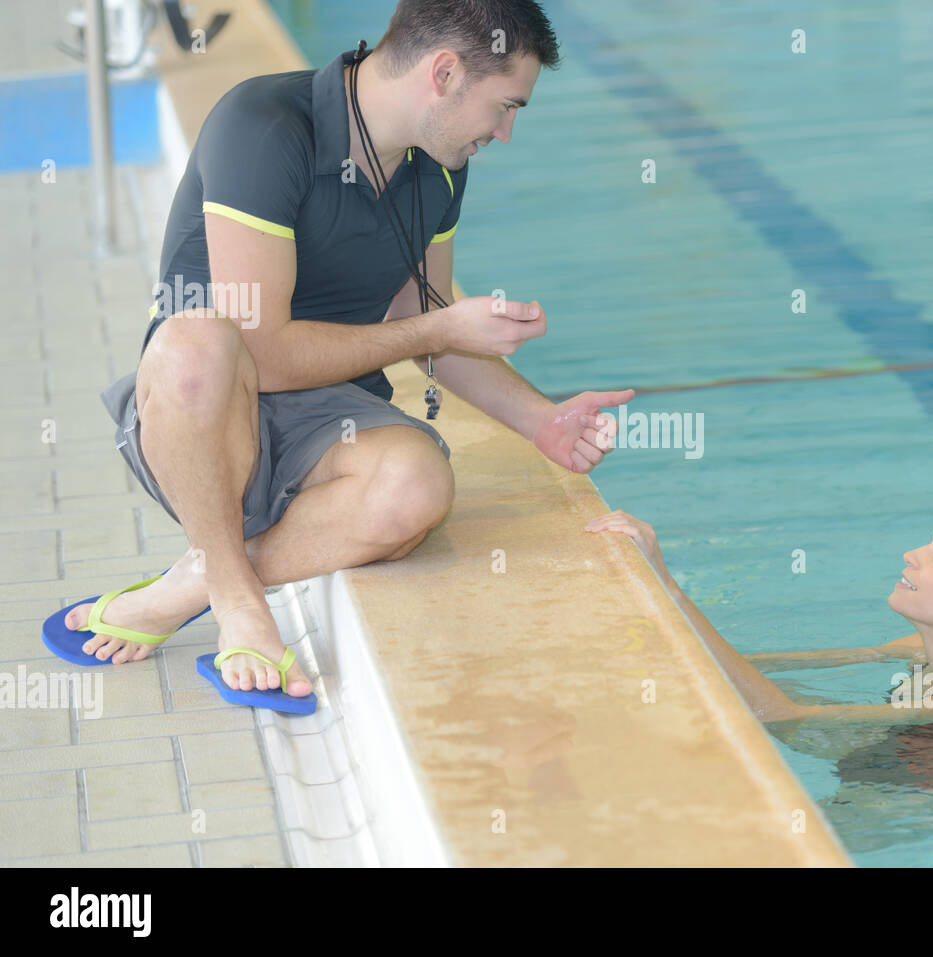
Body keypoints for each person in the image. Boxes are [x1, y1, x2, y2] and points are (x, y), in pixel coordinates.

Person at [44, 1, 632, 712]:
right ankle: (237, 602)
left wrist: (544, 421)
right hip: (200, 414)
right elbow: (265, 349)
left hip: (326, 419)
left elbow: (422, 313)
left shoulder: (438, 170)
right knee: (199, 339)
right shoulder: (263, 126)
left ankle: (197, 579)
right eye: (505, 106)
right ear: (444, 73)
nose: (504, 133)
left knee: (420, 486)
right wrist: (436, 332)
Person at [584, 506, 933, 735]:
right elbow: (772, 668)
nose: (912, 555)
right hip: (878, 762)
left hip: (911, 806)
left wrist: (670, 589)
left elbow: (782, 717)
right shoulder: (920, 648)